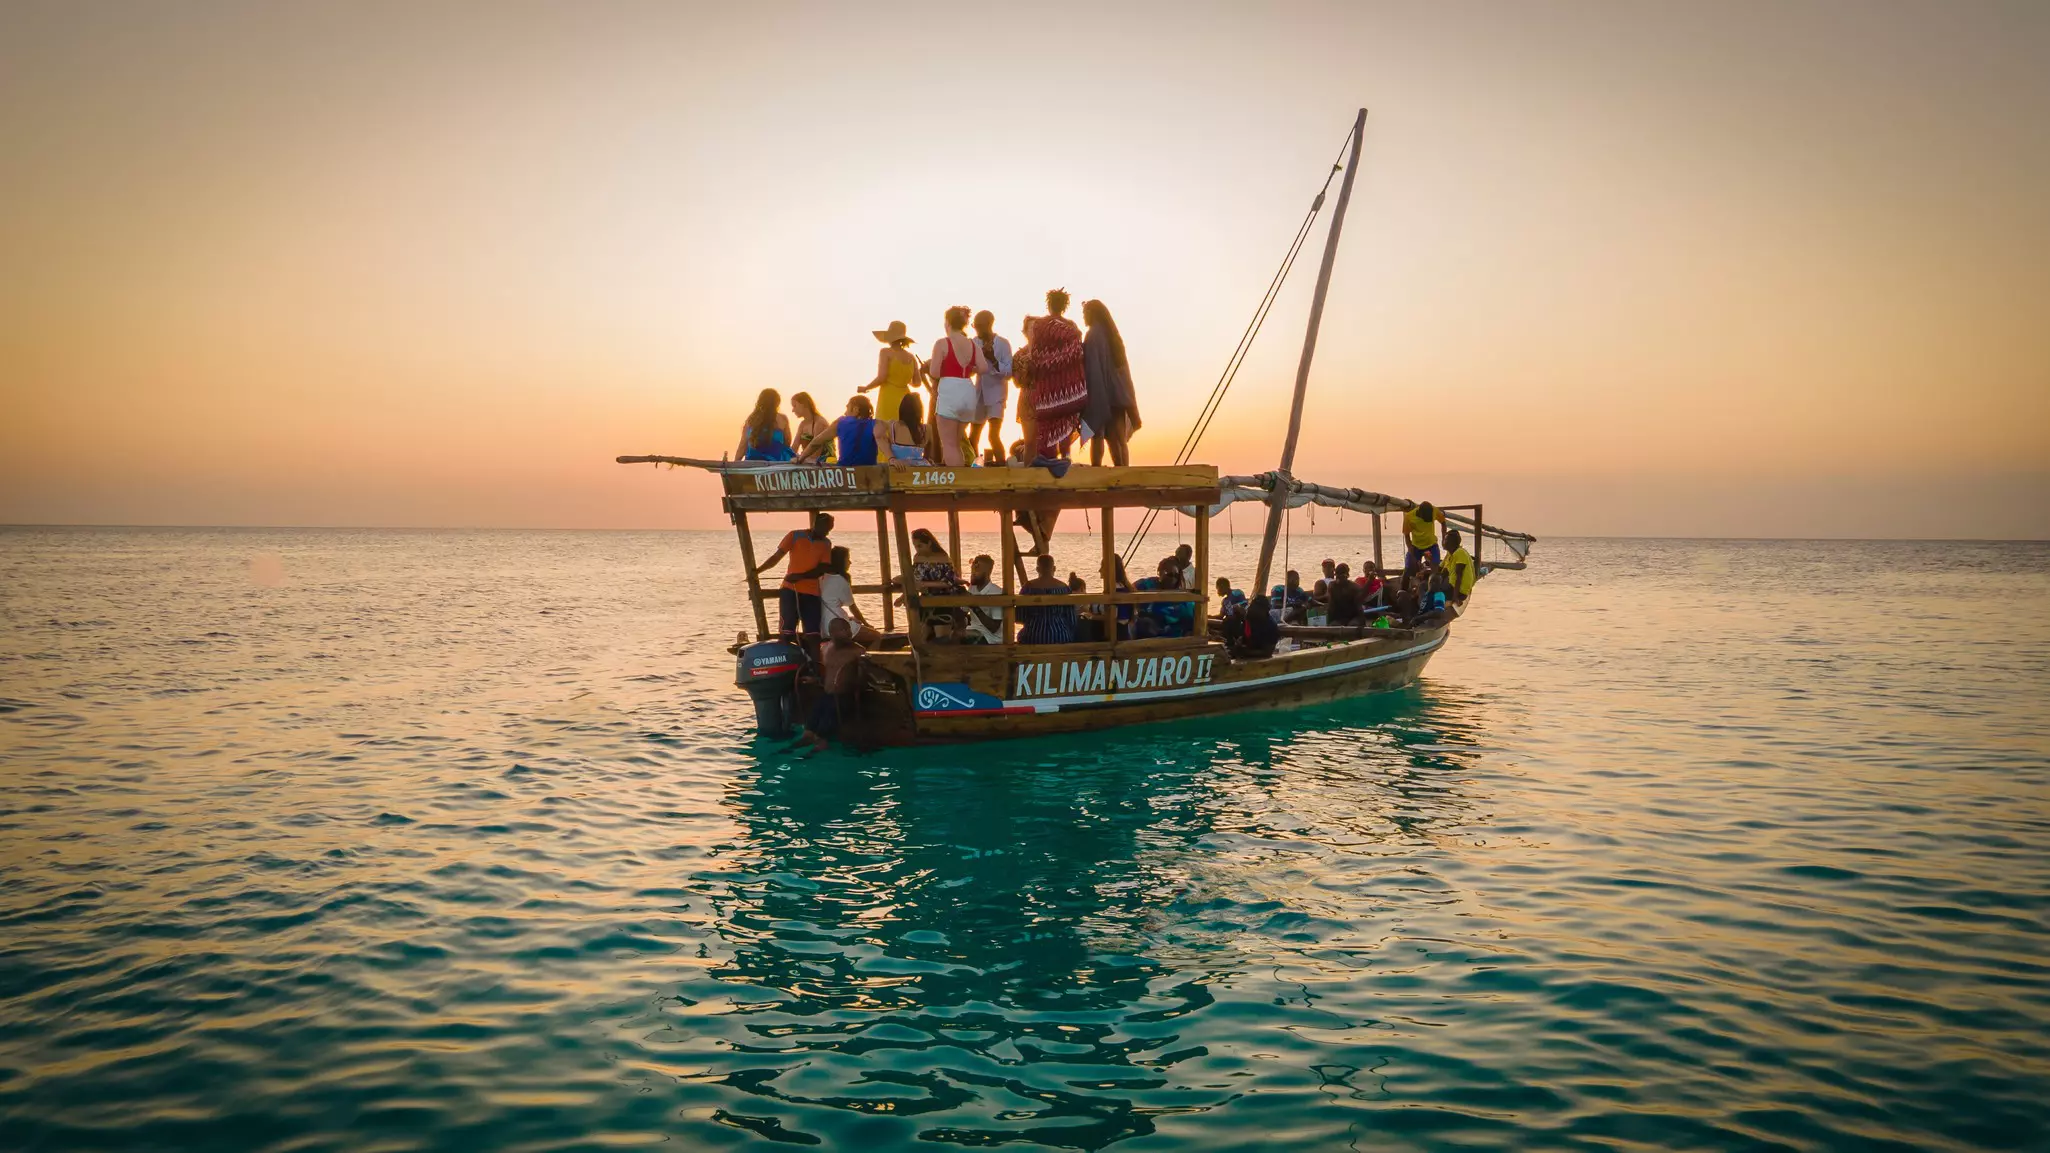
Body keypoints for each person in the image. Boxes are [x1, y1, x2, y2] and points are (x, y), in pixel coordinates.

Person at [1020, 291, 1087, 461]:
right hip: (1068, 388)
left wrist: (1045, 364)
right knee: (1065, 428)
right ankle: (1065, 461)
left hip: (1046, 389)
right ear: (1065, 306)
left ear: (1049, 305)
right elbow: (1078, 354)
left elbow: (1035, 354)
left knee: (1046, 429)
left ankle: (1046, 463)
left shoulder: (1040, 326)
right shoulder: (1072, 327)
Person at [753, 513, 835, 640]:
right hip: (790, 590)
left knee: (813, 634)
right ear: (816, 524)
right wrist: (757, 571)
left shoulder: (826, 543)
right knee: (787, 631)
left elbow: (822, 569)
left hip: (811, 593)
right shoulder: (795, 535)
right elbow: (776, 557)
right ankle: (786, 656)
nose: (827, 533)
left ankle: (814, 660)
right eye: (825, 529)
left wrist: (800, 576)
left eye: (829, 530)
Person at [790, 616, 864, 755]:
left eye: (848, 629)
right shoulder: (826, 649)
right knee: (811, 724)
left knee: (824, 726)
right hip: (827, 694)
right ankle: (805, 740)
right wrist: (815, 680)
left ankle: (819, 746)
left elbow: (863, 678)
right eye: (843, 630)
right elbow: (827, 675)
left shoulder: (859, 651)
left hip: (845, 697)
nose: (848, 633)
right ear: (832, 633)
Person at [1080, 299, 1140, 466]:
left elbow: (1092, 368)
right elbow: (1122, 372)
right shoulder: (1113, 335)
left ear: (1092, 313)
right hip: (1118, 396)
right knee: (1119, 440)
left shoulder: (1093, 335)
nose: (1084, 317)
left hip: (1101, 394)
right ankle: (1124, 474)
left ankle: (1097, 473)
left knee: (1097, 436)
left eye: (1085, 313)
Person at [927, 306, 988, 468]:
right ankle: (960, 480)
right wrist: (970, 369)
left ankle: (956, 485)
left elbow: (934, 372)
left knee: (949, 444)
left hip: (950, 390)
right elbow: (983, 368)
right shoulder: (973, 345)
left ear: (947, 322)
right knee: (957, 443)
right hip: (967, 391)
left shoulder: (942, 343)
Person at [861, 321, 924, 441]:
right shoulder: (911, 357)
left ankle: (886, 459)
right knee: (902, 432)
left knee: (884, 432)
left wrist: (866, 388)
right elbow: (917, 383)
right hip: (906, 398)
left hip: (888, 396)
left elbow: (882, 377)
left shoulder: (885, 352)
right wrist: (903, 379)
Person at [970, 311, 1013, 464]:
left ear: (989, 324)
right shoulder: (974, 342)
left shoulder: (1003, 343)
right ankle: (974, 469)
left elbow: (1009, 373)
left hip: (996, 395)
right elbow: (970, 369)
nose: (977, 330)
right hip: (979, 394)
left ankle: (1002, 470)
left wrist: (992, 360)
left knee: (993, 436)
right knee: (973, 437)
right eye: (975, 326)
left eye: (979, 326)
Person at [818, 546, 883, 647]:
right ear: (841, 561)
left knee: (853, 622)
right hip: (837, 626)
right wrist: (866, 624)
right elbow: (852, 607)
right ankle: (868, 660)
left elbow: (831, 603)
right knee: (877, 636)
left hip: (822, 626)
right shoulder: (840, 580)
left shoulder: (821, 577)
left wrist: (850, 618)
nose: (850, 562)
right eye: (847, 559)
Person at [907, 527, 963, 642]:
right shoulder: (918, 558)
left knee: (942, 639)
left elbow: (949, 582)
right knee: (920, 638)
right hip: (925, 600)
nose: (917, 549)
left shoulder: (942, 558)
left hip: (943, 600)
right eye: (915, 546)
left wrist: (926, 584)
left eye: (920, 546)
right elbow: (915, 578)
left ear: (929, 543)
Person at [800, 395, 880, 465]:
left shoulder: (841, 422)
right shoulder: (876, 424)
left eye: (847, 408)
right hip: (870, 469)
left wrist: (800, 458)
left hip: (845, 470)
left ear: (856, 409)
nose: (845, 413)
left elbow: (816, 442)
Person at [1017, 555, 1078, 644]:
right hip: (1060, 636)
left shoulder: (1028, 588)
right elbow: (1071, 618)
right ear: (1054, 568)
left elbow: (1020, 616)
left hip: (1033, 635)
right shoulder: (1064, 588)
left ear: (1037, 569)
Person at [736, 389, 794, 462]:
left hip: (751, 463)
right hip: (776, 464)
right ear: (777, 403)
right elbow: (787, 443)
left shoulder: (752, 419)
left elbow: (742, 446)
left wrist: (734, 464)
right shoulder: (782, 419)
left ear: (760, 402)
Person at [1403, 501, 1446, 589]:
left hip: (1431, 545)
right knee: (1408, 569)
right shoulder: (1409, 517)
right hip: (1416, 546)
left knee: (1435, 568)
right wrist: (1411, 552)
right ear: (1420, 514)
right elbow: (1407, 536)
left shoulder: (1434, 510)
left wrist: (1444, 538)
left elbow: (1443, 522)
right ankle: (1403, 591)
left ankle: (1435, 590)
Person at [963, 554, 1003, 644]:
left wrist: (974, 606)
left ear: (987, 573)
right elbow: (963, 611)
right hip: (974, 629)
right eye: (972, 570)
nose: (972, 574)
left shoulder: (996, 592)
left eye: (976, 571)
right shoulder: (972, 589)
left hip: (991, 637)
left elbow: (994, 628)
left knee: (958, 637)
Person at [1231, 593, 1279, 658]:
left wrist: (1244, 652)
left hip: (1259, 661)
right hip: (1244, 655)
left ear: (1264, 610)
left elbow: (1267, 652)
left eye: (1254, 607)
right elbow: (1243, 637)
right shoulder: (1249, 619)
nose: (1250, 609)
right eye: (1251, 606)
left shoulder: (1270, 626)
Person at [887, 394, 932, 463]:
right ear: (920, 410)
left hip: (899, 469)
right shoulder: (927, 428)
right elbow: (927, 456)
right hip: (919, 470)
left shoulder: (893, 426)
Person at [791, 392, 833, 464]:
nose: (793, 410)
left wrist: (800, 459)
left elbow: (816, 451)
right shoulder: (802, 424)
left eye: (795, 406)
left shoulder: (819, 422)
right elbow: (795, 446)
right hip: (808, 461)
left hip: (824, 462)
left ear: (804, 405)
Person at [1440, 530, 1477, 603]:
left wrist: (1455, 597)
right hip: (1453, 587)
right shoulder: (1452, 554)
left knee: (1428, 590)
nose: (1443, 542)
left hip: (1459, 592)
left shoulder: (1459, 553)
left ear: (1451, 543)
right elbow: (1444, 572)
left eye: (1445, 540)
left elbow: (1458, 577)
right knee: (1430, 586)